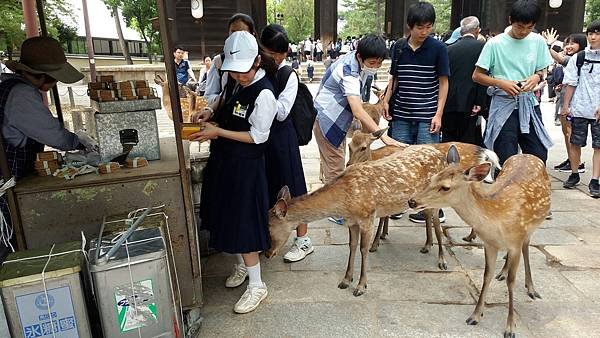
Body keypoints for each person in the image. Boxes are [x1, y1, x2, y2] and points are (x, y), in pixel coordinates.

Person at [190, 31, 277, 314]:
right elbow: (227, 107)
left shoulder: (264, 93)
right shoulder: (235, 83)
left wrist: (218, 132)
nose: (239, 76)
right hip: (226, 162)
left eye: (243, 71)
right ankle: (241, 265)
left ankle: (257, 285)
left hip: (246, 168)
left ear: (257, 62)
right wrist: (209, 114)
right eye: (234, 71)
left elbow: (258, 137)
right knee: (227, 216)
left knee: (244, 225)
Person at [0, 36, 97, 258]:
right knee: (9, 251)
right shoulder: (22, 95)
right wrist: (80, 142)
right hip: (5, 189)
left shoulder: (10, 88)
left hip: (11, 182)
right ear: (43, 77)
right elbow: (56, 137)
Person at [313, 34, 401, 224]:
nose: (376, 66)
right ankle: (336, 211)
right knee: (335, 168)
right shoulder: (349, 70)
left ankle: (338, 204)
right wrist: (382, 136)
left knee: (337, 163)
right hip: (328, 121)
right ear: (360, 56)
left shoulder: (355, 61)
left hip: (337, 120)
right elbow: (357, 109)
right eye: (372, 62)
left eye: (379, 62)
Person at [382, 1, 450, 223]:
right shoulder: (399, 47)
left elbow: (443, 82)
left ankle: (431, 207)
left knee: (427, 163)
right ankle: (399, 203)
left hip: (427, 115)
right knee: (398, 161)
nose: (424, 32)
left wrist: (438, 113)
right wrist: (385, 100)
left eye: (428, 26)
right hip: (401, 114)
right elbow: (395, 78)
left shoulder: (439, 48)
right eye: (420, 27)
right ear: (410, 26)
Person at [473, 0, 553, 168]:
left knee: (538, 154)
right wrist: (501, 83)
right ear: (510, 20)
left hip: (529, 104)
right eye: (519, 27)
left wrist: (536, 77)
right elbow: (477, 76)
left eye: (529, 27)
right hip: (503, 104)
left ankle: (530, 191)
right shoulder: (495, 43)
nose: (523, 32)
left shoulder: (537, 41)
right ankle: (504, 191)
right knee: (505, 156)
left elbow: (543, 70)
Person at [259, 24, 313, 263]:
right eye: (269, 52)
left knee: (294, 189)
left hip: (282, 139)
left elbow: (281, 112)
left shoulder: (287, 74)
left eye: (279, 53)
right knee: (269, 187)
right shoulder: (258, 70)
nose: (275, 58)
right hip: (262, 140)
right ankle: (271, 235)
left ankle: (303, 242)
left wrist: (261, 97)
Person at [560, 20, 600, 196]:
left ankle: (595, 180)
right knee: (575, 142)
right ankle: (574, 173)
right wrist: (566, 106)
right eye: (590, 33)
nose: (593, 37)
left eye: (597, 33)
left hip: (598, 110)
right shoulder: (579, 57)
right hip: (579, 108)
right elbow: (570, 83)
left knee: (598, 146)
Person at [542, 30, 588, 173]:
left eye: (572, 43)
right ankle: (571, 160)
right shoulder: (575, 58)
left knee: (570, 133)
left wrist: (548, 45)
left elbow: (559, 59)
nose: (568, 46)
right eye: (567, 43)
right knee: (566, 131)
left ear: (581, 45)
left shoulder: (578, 58)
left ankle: (576, 163)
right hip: (565, 100)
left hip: (573, 104)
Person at [442, 16, 487, 146]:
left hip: (448, 102)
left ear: (461, 31)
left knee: (448, 141)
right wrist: (479, 102)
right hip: (470, 102)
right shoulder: (483, 48)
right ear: (478, 30)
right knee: (467, 142)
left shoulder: (448, 49)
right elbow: (483, 75)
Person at [203, 13, 257, 106]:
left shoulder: (259, 61)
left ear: (252, 35)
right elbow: (209, 95)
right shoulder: (219, 61)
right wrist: (220, 101)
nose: (236, 37)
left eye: (242, 33)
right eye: (233, 32)